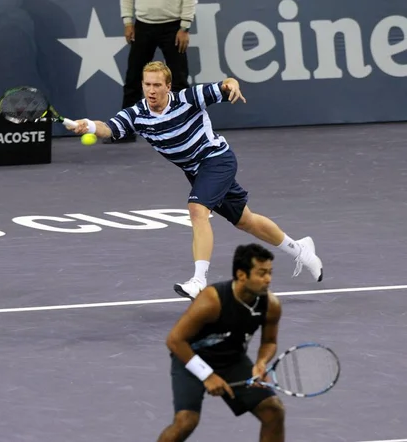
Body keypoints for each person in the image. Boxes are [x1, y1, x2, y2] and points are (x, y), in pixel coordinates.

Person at [67, 60, 323, 299]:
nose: (152, 90)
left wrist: (231, 84)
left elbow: (224, 85)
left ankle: (199, 281)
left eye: (157, 85)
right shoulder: (137, 114)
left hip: (217, 159)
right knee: (246, 221)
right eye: (147, 84)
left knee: (197, 210)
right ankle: (301, 250)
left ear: (168, 86)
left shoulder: (188, 99)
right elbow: (109, 128)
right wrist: (88, 125)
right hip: (197, 172)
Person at [156, 243, 285, 442]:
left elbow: (269, 341)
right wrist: (207, 375)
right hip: (191, 358)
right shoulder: (212, 300)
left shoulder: (271, 305)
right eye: (261, 273)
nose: (268, 279)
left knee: (273, 411)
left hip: (232, 360)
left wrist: (260, 364)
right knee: (186, 422)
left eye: (270, 272)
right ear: (242, 275)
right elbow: (175, 340)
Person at [119, 0, 195, 139]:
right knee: (133, 80)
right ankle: (125, 130)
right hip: (143, 26)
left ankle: (183, 129)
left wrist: (185, 26)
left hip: (174, 26)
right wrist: (128, 22)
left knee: (179, 81)